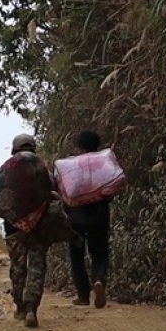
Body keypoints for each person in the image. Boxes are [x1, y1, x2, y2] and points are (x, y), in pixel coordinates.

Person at [0, 133, 59, 328]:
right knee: (37, 265)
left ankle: (20, 307)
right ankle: (31, 308)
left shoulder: (6, 169)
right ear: (33, 148)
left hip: (13, 227)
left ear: (14, 149)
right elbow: (54, 193)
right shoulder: (42, 168)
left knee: (18, 266)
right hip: (40, 226)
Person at [63, 130, 113, 309]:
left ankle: (83, 296)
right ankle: (99, 279)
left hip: (76, 218)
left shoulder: (72, 165)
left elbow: (64, 190)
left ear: (80, 146)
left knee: (77, 257)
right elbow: (111, 190)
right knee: (99, 253)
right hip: (99, 216)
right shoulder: (105, 163)